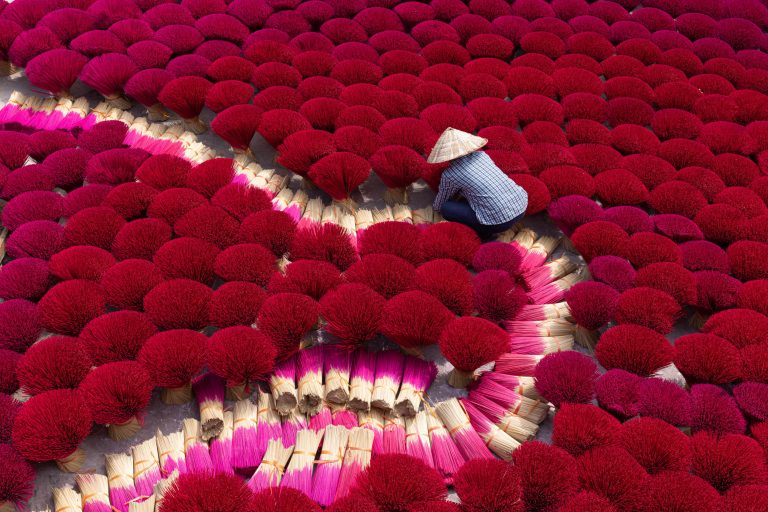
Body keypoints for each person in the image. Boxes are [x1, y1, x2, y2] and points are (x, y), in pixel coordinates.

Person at [428, 127, 528, 240]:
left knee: (446, 208)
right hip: (522, 206)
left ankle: (485, 236)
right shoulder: (483, 156)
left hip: (498, 223)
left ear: (444, 155)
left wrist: (435, 209)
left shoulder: (450, 174)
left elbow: (442, 200)